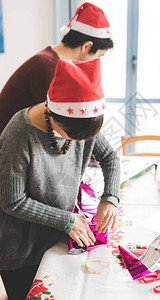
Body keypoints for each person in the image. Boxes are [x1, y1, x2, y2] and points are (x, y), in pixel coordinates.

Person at [0, 58, 120, 299]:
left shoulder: (81, 123)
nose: (80, 144)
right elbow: (12, 201)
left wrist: (110, 197)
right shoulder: (19, 135)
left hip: (59, 238)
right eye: (72, 137)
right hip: (22, 250)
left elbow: (110, 157)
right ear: (53, 114)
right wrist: (66, 220)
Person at [0, 2, 113, 134]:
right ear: (87, 46)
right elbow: (67, 125)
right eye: (99, 55)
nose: (97, 62)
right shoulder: (46, 67)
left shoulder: (50, 59)